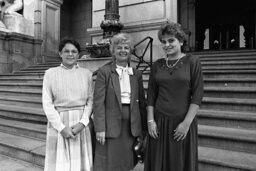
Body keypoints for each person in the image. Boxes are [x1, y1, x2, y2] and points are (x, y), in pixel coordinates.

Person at [144, 21, 204, 171]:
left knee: (180, 163)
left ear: (181, 41)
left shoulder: (192, 61)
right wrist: (150, 121)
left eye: (171, 40)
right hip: (159, 122)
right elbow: (151, 95)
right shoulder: (157, 65)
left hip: (182, 122)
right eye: (163, 41)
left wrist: (186, 123)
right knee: (158, 163)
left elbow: (197, 95)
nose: (167, 44)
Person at [93, 33, 147, 171]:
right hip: (110, 125)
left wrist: (143, 130)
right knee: (109, 164)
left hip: (131, 126)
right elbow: (98, 102)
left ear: (130, 51)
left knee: (126, 162)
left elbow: (141, 102)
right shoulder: (104, 72)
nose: (123, 50)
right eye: (119, 47)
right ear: (113, 51)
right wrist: (100, 128)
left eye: (126, 47)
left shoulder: (137, 74)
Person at [43, 38, 93, 171]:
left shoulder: (87, 74)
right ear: (60, 53)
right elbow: (47, 103)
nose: (70, 54)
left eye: (74, 51)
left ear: (78, 54)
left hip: (80, 123)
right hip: (59, 123)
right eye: (66, 51)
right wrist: (61, 127)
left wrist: (83, 123)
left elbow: (90, 101)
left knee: (81, 164)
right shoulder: (50, 74)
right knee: (60, 164)